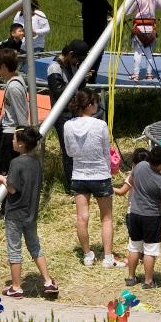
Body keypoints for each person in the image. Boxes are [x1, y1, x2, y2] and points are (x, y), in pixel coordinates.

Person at [0, 128, 57, 298]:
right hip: (31, 212)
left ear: (21, 144)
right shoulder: (36, 161)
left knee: (14, 249)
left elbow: (13, 189)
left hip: (15, 213)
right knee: (35, 247)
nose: (12, 142)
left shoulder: (16, 163)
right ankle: (48, 281)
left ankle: (15, 287)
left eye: (14, 139)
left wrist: (1, 180)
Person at [63, 88, 117, 267]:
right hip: (100, 174)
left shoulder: (68, 125)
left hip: (79, 175)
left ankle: (87, 255)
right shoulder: (100, 125)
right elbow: (105, 152)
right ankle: (108, 257)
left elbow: (70, 152)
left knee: (82, 217)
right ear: (89, 104)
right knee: (107, 217)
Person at [115, 145, 161, 288]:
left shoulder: (140, 166)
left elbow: (133, 181)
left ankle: (131, 277)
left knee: (134, 247)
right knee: (150, 250)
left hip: (134, 214)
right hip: (151, 217)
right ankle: (148, 281)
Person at [46, 39, 91, 192]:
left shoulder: (71, 65)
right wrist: (78, 81)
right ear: (70, 54)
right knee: (68, 151)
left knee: (78, 148)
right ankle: (72, 186)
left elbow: (76, 88)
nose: (78, 62)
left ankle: (79, 181)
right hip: (61, 115)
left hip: (73, 111)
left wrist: (83, 80)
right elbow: (59, 92)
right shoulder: (54, 68)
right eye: (77, 58)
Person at [0, 49, 31, 183]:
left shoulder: (14, 87)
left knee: (5, 173)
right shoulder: (16, 80)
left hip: (11, 135)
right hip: (10, 132)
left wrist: (23, 140)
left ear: (3, 66)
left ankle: (6, 201)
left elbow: (21, 116)